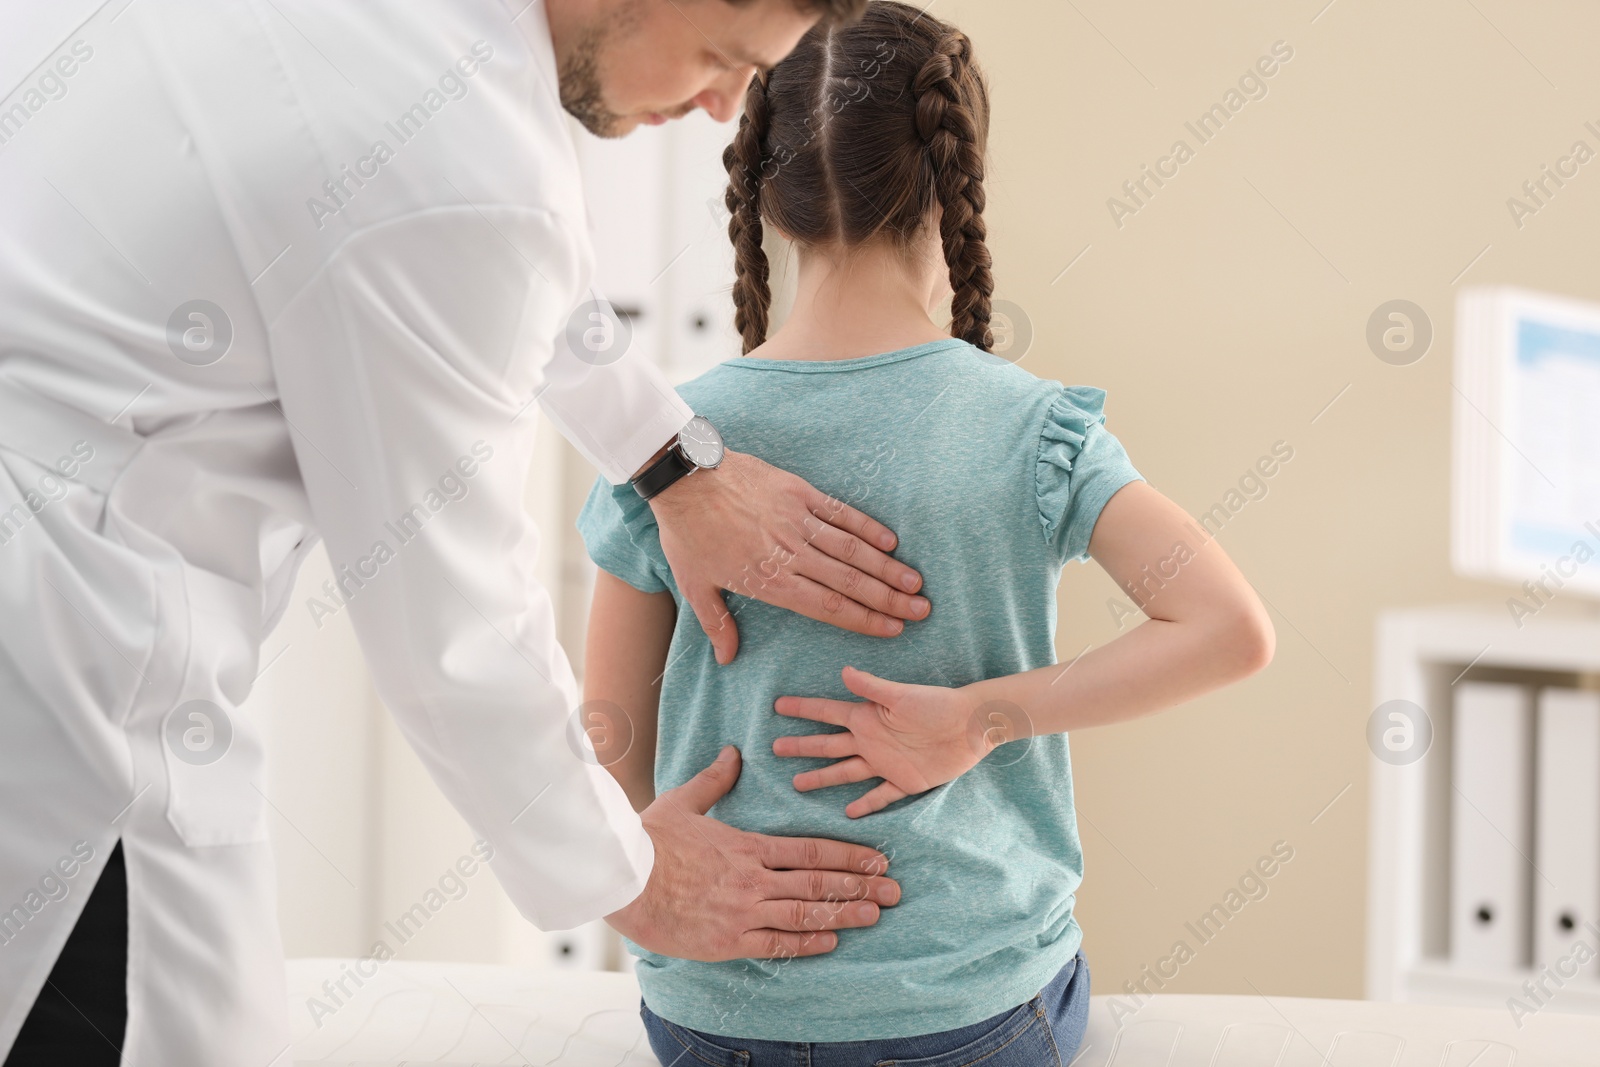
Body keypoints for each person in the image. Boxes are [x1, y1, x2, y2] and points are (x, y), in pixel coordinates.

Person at [0, 0, 928, 1063]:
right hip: (50, 684)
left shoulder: (430, 76)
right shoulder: (457, 161)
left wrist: (668, 457)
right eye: (722, 59)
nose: (726, 107)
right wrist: (632, 875)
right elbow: (457, 628)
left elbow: (472, 247)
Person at [577, 4, 1277, 1063]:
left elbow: (606, 736)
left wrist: (641, 865)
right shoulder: (1034, 431)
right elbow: (1230, 627)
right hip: (973, 1013)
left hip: (713, 1017)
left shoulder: (665, 450)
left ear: (762, 187)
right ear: (956, 179)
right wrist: (979, 716)